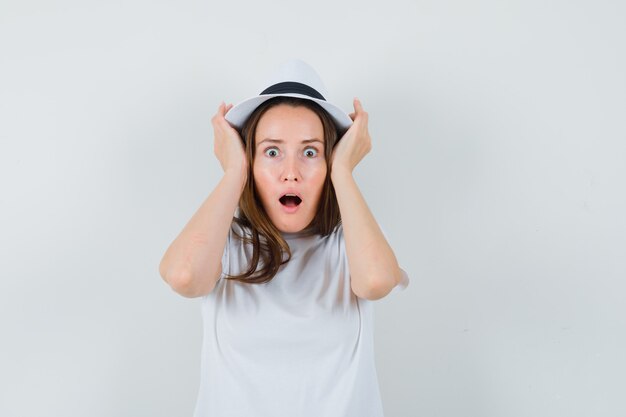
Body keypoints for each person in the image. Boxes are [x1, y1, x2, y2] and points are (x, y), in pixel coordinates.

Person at [158, 59, 409, 417]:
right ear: (250, 162)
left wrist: (344, 170)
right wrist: (234, 172)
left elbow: (376, 281)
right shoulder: (225, 242)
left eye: (310, 152)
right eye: (272, 152)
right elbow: (183, 277)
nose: (291, 173)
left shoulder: (351, 240)